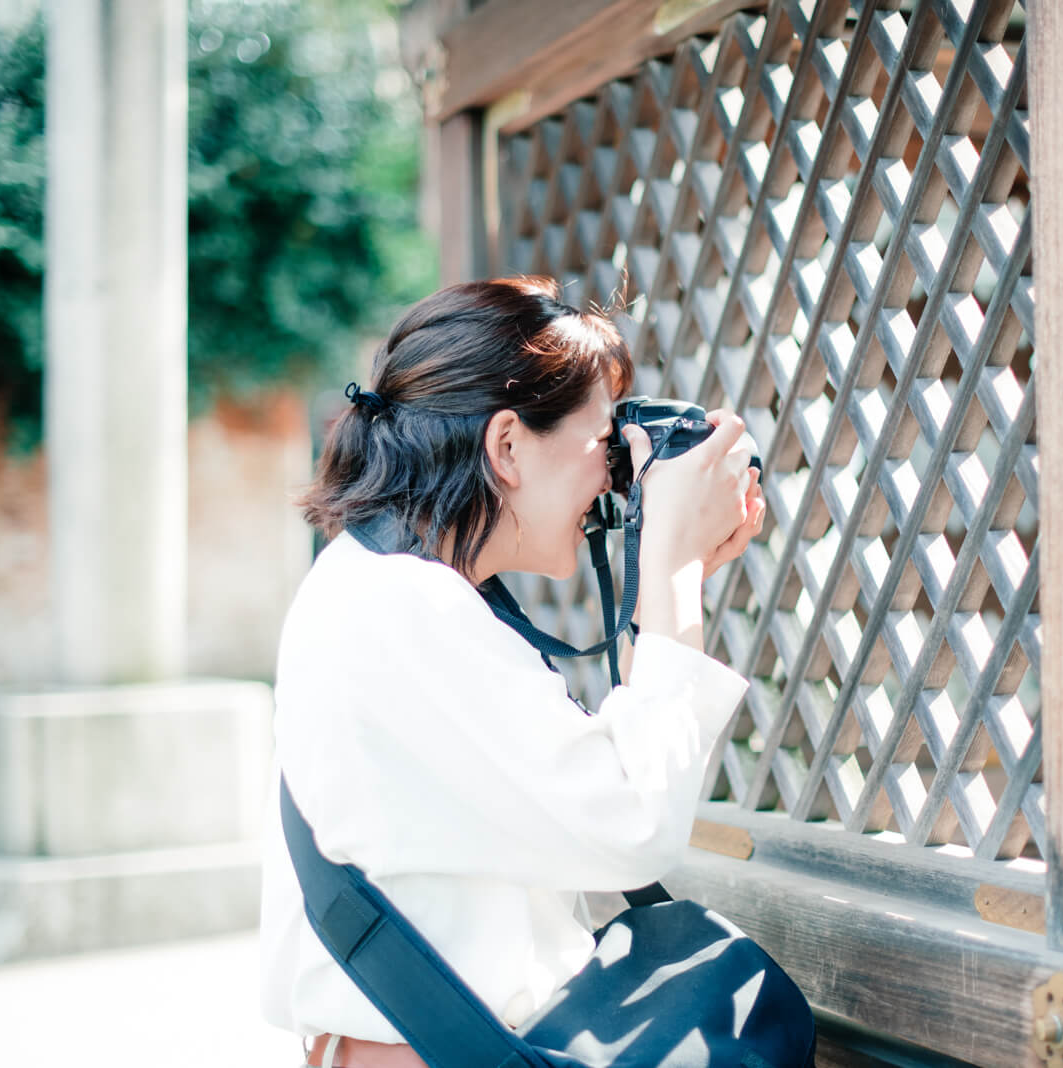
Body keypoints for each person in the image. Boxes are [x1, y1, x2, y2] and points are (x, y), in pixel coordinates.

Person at [259, 276, 767, 1068]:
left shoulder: (384, 583)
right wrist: (669, 563)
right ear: (506, 446)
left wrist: (676, 570)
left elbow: (592, 790)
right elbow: (632, 827)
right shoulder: (409, 606)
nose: (612, 477)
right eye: (604, 443)